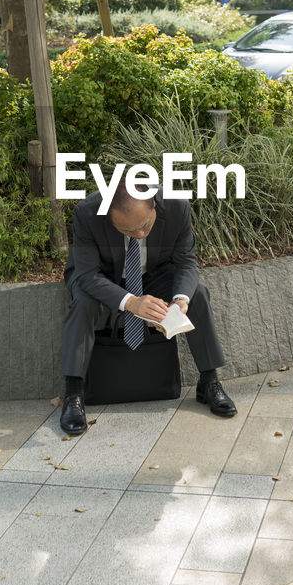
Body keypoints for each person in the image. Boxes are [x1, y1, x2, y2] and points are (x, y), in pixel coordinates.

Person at [60, 185, 236, 434]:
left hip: (153, 274)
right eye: (127, 230)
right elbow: (87, 274)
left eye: (145, 226)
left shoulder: (177, 205)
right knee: (84, 303)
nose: (139, 235)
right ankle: (73, 393)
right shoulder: (87, 212)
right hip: (101, 276)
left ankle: (209, 381)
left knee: (197, 294)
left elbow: (186, 261)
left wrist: (180, 301)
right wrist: (131, 302)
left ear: (154, 204)